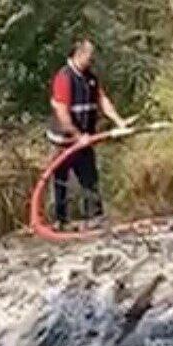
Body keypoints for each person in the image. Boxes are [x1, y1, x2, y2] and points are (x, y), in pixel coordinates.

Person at [47, 38, 128, 228]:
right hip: (64, 142)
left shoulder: (90, 77)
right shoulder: (64, 78)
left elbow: (102, 100)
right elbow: (63, 114)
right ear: (79, 54)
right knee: (60, 182)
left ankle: (95, 219)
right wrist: (78, 136)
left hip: (85, 139)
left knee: (90, 179)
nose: (92, 59)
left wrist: (119, 121)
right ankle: (60, 222)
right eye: (90, 55)